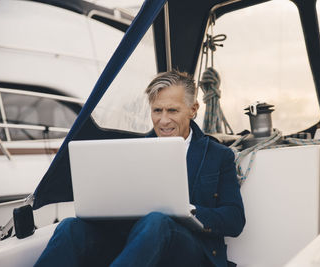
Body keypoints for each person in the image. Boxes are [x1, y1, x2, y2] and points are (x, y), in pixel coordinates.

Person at [34, 70, 245, 267]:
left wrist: (190, 211)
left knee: (156, 222)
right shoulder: (131, 151)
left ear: (193, 109)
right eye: (157, 110)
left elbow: (235, 219)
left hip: (193, 253)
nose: (163, 120)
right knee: (70, 227)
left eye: (172, 110)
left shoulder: (218, 155)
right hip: (136, 245)